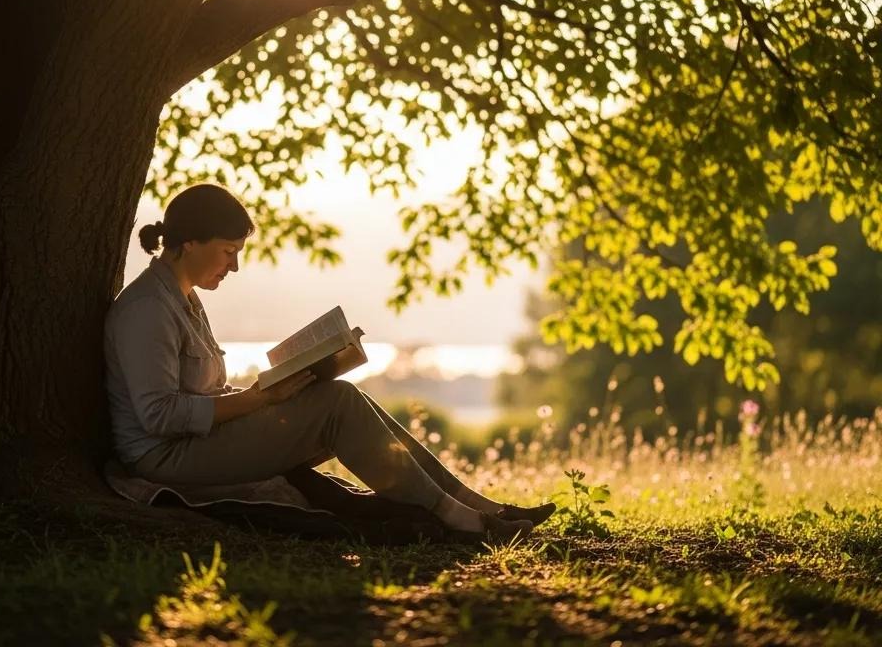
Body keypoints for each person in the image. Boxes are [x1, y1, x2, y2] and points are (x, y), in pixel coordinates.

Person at [104, 183, 555, 542]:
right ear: (188, 243)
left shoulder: (184, 300)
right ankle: (462, 521)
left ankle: (480, 506)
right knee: (338, 402)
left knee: (339, 395)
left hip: (197, 442)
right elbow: (158, 414)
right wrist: (258, 399)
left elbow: (199, 393)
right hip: (167, 458)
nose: (234, 266)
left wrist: (276, 391)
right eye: (228, 251)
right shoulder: (147, 309)